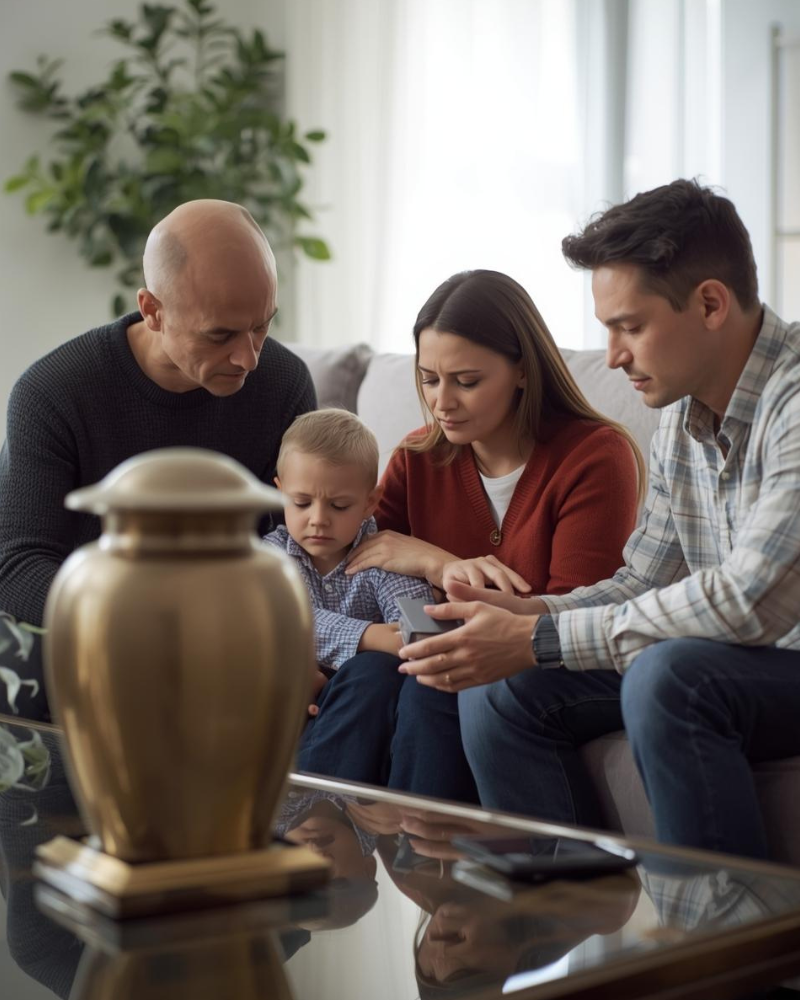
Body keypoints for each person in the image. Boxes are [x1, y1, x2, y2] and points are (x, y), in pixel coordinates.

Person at [400, 179, 800, 862]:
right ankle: (565, 939)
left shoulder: (791, 405)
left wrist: (543, 640)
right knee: (501, 684)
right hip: (730, 662)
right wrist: (528, 621)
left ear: (709, 303)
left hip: (774, 662)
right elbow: (641, 580)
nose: (613, 355)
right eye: (607, 330)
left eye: (630, 327)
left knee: (668, 676)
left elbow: (748, 603)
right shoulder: (682, 422)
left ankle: (719, 956)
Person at [298, 269, 643, 800]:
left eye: (466, 381)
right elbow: (348, 572)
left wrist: (433, 561)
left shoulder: (595, 456)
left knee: (433, 685)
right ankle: (324, 845)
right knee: (377, 678)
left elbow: (574, 616)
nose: (442, 402)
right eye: (429, 379)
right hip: (438, 659)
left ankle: (423, 864)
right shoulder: (417, 458)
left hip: (556, 662)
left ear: (522, 371)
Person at [0, 199, 316, 718]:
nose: (249, 358)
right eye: (221, 335)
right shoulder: (53, 393)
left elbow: (300, 543)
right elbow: (18, 569)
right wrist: (157, 631)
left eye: (262, 326)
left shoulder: (283, 384)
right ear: (152, 310)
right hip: (98, 659)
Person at [263, 408, 433, 719]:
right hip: (285, 701)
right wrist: (369, 636)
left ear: (370, 503)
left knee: (378, 673)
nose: (318, 520)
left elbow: (421, 632)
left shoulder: (384, 556)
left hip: (364, 704)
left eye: (339, 506)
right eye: (301, 503)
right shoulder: (270, 557)